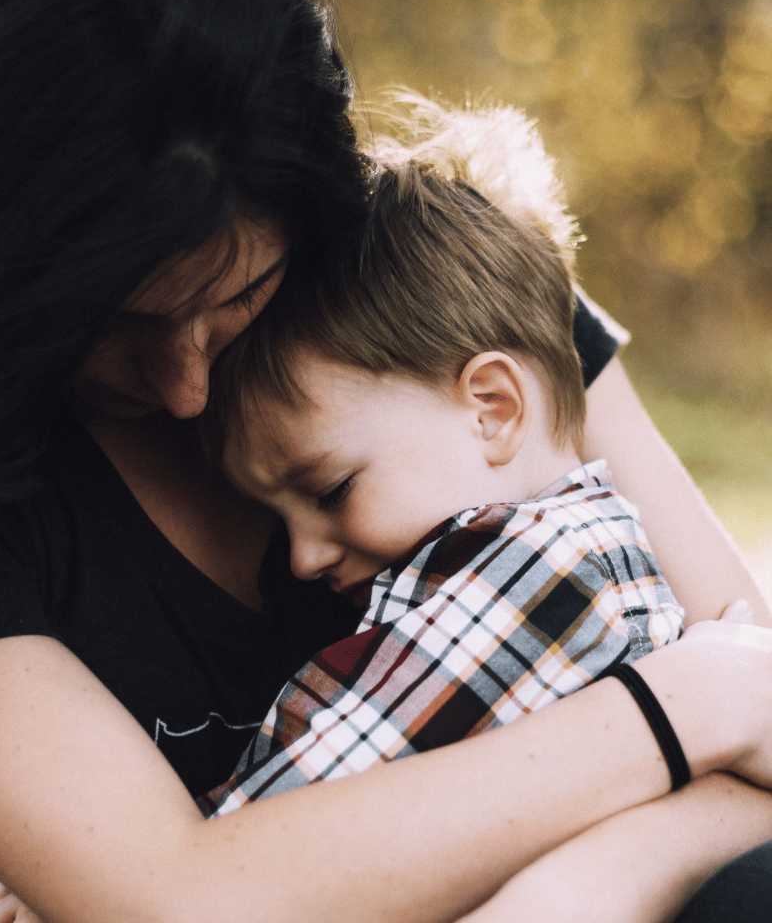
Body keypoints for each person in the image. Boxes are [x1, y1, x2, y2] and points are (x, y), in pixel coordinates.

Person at [0, 0, 771, 922]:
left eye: (238, 293)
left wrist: (598, 880)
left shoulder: (427, 300)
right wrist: (685, 708)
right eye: (112, 325)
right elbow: (173, 904)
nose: (185, 388)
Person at [197, 101, 686, 816]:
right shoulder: (568, 557)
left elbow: (312, 804)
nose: (302, 558)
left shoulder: (543, 571)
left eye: (331, 490)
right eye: (279, 518)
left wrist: (105, 882)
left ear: (492, 408)